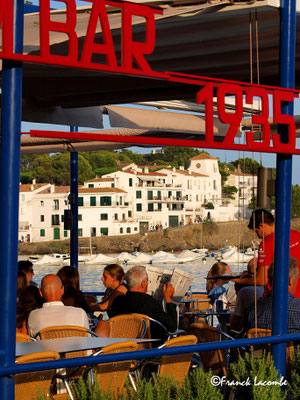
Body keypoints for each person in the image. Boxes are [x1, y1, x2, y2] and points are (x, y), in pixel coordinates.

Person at [95, 265, 177, 341]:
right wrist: (169, 299)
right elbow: (172, 327)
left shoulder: (117, 301)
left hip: (124, 346)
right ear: (143, 283)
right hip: (150, 348)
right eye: (147, 281)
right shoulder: (149, 302)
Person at [233, 209, 300, 297]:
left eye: (257, 232)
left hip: (277, 299)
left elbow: (262, 280)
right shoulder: (297, 235)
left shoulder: (267, 243)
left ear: (262, 226)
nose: (259, 236)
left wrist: (236, 280)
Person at [246, 257, 300, 333]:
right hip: (292, 344)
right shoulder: (298, 308)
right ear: (290, 281)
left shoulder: (253, 310)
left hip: (260, 344)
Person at [229, 259, 264, 332]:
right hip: (275, 338)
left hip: (249, 339)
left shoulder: (245, 292)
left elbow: (234, 325)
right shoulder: (274, 290)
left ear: (248, 273)